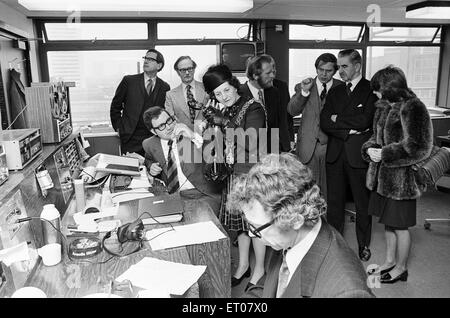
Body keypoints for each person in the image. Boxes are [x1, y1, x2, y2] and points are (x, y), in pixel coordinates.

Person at [227, 153, 374, 298]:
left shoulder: (348, 292)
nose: (252, 234)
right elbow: (270, 287)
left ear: (295, 220)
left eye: (256, 227)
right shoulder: (289, 236)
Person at [362, 66, 433, 284]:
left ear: (389, 88)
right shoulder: (384, 107)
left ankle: (401, 268)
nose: (374, 94)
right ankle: (390, 261)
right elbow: (375, 137)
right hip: (382, 178)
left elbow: (419, 146)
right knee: (388, 223)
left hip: (403, 182)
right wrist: (370, 150)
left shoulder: (414, 108)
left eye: (377, 90)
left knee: (400, 226)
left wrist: (384, 153)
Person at [202, 64, 267, 292]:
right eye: (218, 94)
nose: (224, 97)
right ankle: (243, 265)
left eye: (226, 91)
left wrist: (223, 123)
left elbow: (250, 142)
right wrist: (210, 126)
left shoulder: (253, 107)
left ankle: (259, 268)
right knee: (238, 225)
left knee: (255, 225)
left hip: (250, 174)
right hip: (232, 174)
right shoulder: (225, 110)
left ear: (234, 84)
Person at [320, 49, 377, 262]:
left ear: (357, 66)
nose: (339, 71)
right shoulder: (335, 91)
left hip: (358, 156)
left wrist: (339, 119)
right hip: (335, 155)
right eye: (339, 66)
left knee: (363, 204)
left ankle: (364, 245)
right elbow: (325, 121)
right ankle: (336, 247)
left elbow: (365, 121)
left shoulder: (370, 89)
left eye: (344, 66)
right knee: (334, 204)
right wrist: (349, 129)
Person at [142, 106, 222, 214]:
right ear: (153, 131)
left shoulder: (190, 130)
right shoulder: (149, 144)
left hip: (203, 194)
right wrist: (150, 166)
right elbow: (148, 159)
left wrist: (193, 136)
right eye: (161, 126)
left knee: (199, 222)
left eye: (169, 120)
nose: (169, 127)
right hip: (174, 197)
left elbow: (214, 155)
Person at [288, 53, 342, 200]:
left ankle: (327, 221)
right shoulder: (304, 86)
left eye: (329, 70)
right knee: (307, 190)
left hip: (332, 146)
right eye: (320, 69)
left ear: (335, 71)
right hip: (307, 146)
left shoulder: (342, 87)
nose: (324, 74)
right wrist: (304, 92)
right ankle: (310, 220)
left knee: (330, 190)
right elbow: (292, 111)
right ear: (316, 69)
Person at [110, 49, 170, 156]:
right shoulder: (129, 81)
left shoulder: (164, 87)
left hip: (153, 138)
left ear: (159, 65)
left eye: (150, 59)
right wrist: (119, 128)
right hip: (130, 137)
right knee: (131, 170)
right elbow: (115, 106)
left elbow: (164, 113)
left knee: (153, 169)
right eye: (145, 58)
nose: (146, 61)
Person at [240, 54, 290, 153]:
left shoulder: (274, 92)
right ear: (255, 75)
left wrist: (285, 148)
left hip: (272, 152)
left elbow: (281, 122)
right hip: (247, 155)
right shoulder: (239, 94)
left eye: (273, 72)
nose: (273, 76)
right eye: (268, 73)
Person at [165, 56, 209, 130]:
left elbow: (214, 112)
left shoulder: (206, 88)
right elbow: (170, 119)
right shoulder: (170, 95)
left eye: (190, 69)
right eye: (183, 70)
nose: (187, 72)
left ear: (194, 69)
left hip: (207, 135)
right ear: (178, 72)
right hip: (183, 137)